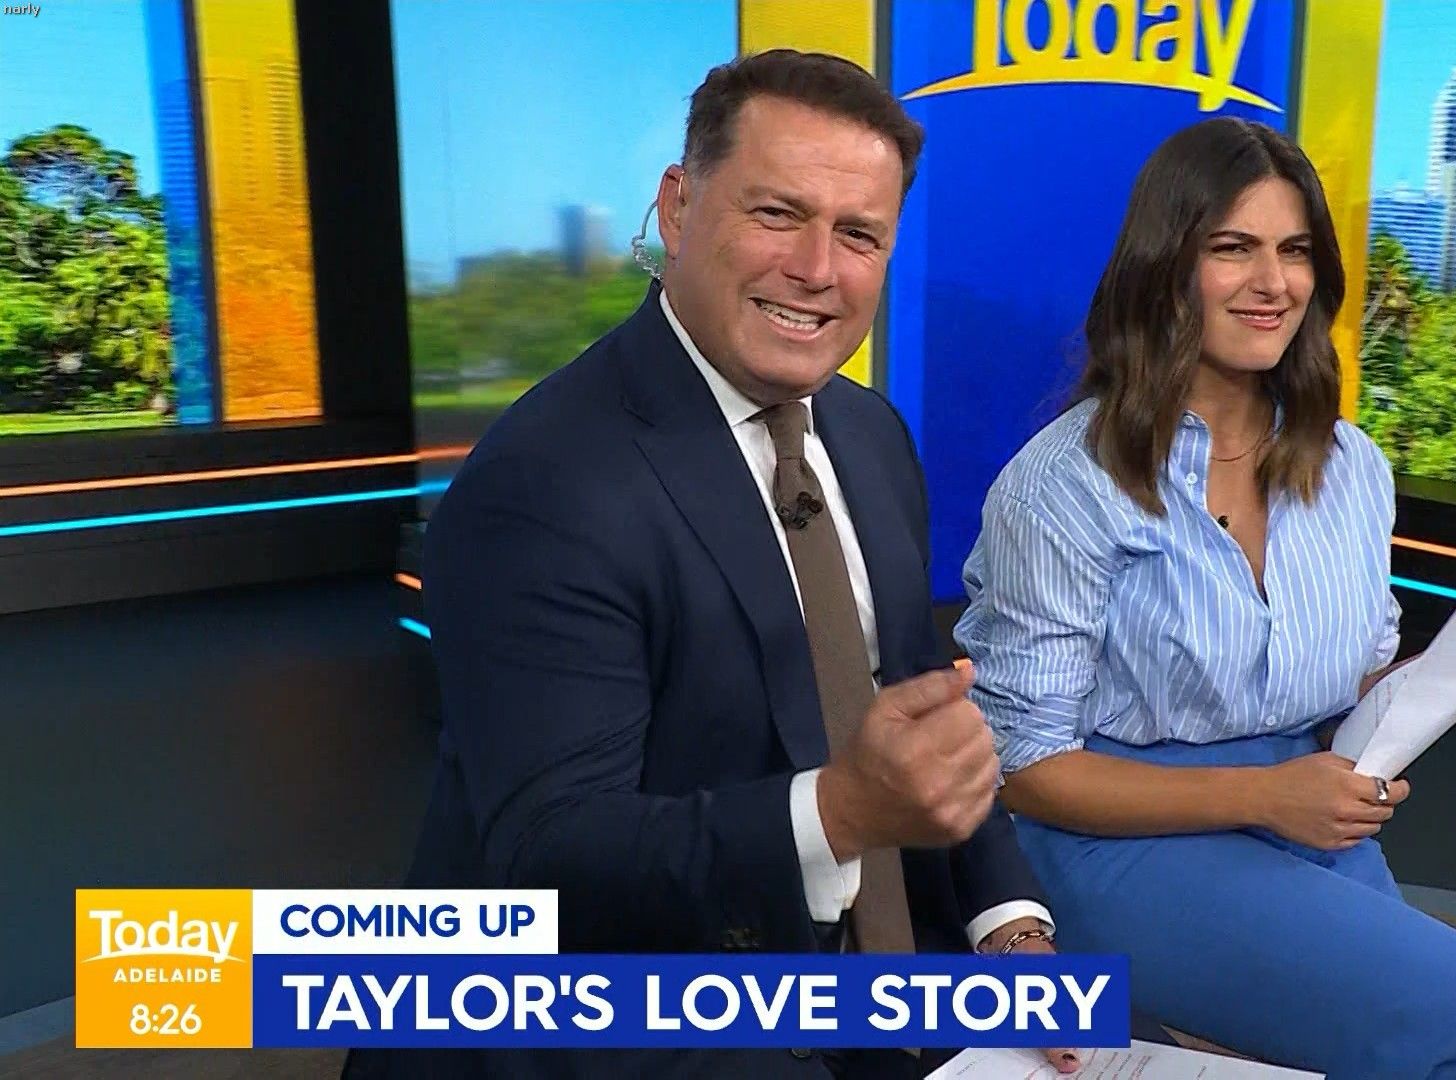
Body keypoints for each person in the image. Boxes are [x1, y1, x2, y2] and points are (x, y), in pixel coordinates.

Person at [346, 50, 1081, 1080]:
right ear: (679, 207)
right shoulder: (544, 483)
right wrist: (842, 813)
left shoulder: (871, 438)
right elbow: (551, 859)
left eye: (859, 235)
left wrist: (1012, 933)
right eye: (778, 214)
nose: (817, 269)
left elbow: (929, 728)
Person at [952, 117, 1456, 1077]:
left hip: (1306, 810)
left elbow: (1353, 690)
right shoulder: (1062, 486)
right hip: (1120, 838)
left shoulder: (1351, 468)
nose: (1273, 283)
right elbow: (1026, 769)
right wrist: (1265, 794)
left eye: (1294, 251)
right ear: (1165, 268)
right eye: (1234, 248)